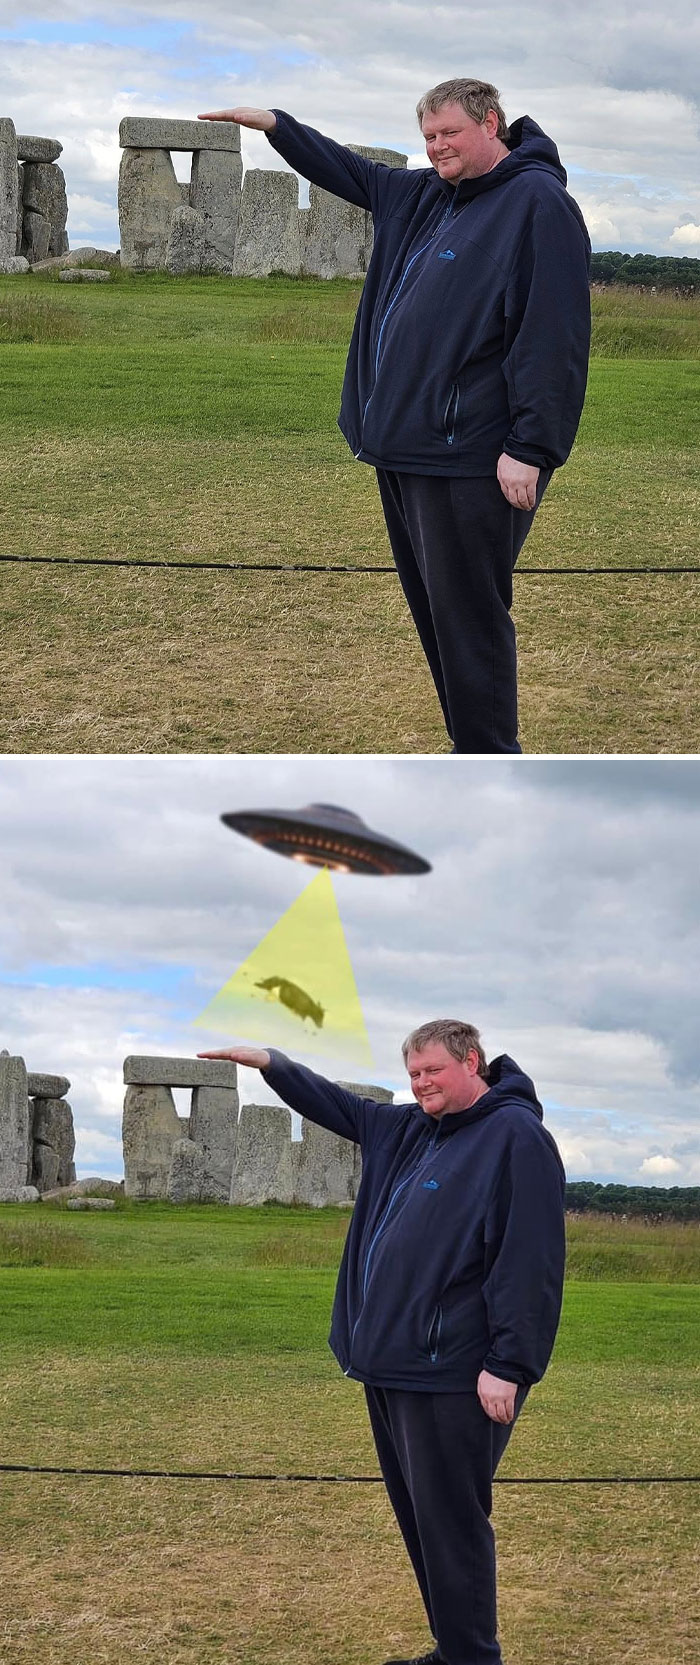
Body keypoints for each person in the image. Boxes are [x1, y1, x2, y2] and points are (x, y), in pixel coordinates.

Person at [199, 81, 591, 754]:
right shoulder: (421, 195)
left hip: (468, 454)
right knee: (438, 622)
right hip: (403, 449)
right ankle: (473, 747)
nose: (437, 146)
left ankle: (492, 758)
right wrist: (276, 126)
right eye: (428, 136)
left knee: (468, 622)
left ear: (491, 124)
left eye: (449, 133)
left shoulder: (537, 204)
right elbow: (346, 169)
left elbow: (552, 334)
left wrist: (532, 444)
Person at [198, 1018, 566, 1665]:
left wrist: (509, 1363)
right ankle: (456, 1648)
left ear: (472, 1061)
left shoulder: (516, 1137)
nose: (421, 1082)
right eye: (413, 1073)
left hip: (452, 1371)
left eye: (433, 1070)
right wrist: (272, 1064)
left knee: (452, 1527)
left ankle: (475, 1656)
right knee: (423, 1525)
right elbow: (336, 1104)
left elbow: (529, 1259)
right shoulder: (405, 1129)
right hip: (390, 1366)